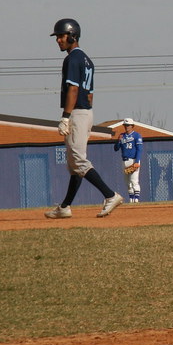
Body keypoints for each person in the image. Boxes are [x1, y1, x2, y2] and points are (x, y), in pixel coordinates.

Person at [45, 18, 123, 219]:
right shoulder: (87, 59)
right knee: (73, 165)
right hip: (86, 111)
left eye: (61, 36)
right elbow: (90, 94)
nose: (58, 40)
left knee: (78, 161)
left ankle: (110, 195)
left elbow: (73, 88)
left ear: (72, 36)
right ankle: (65, 207)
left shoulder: (73, 59)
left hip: (77, 112)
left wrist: (66, 117)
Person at [114, 118, 144, 203]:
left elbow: (139, 149)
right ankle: (131, 199)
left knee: (134, 180)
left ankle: (136, 199)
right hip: (124, 161)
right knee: (127, 182)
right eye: (125, 125)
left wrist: (137, 161)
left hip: (133, 160)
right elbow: (116, 148)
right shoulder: (122, 136)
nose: (126, 127)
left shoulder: (137, 135)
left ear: (132, 126)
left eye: (128, 125)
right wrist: (118, 140)